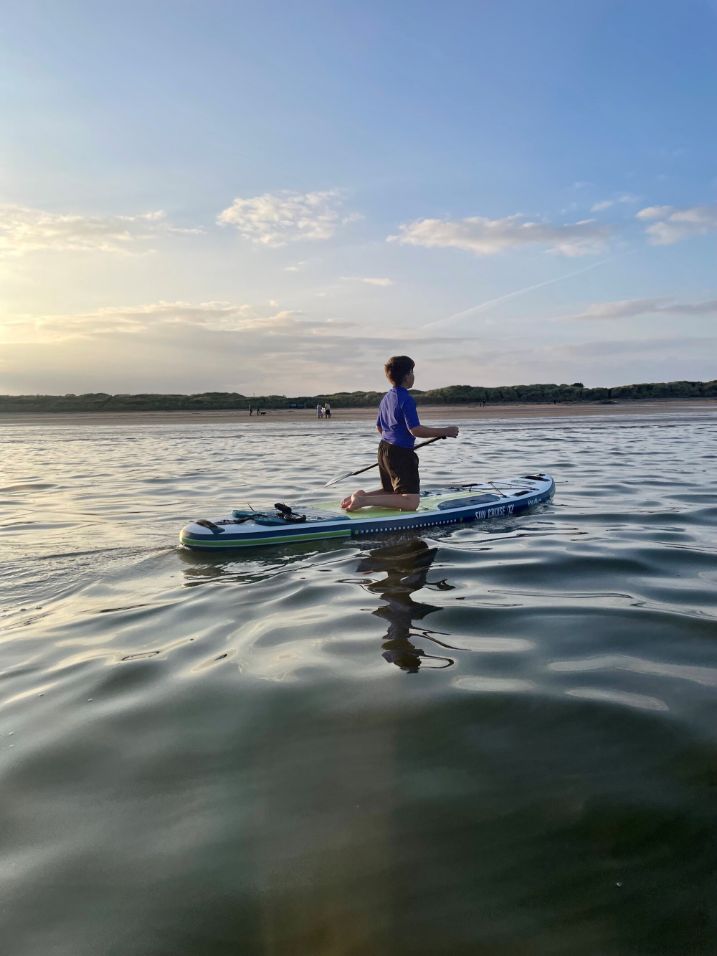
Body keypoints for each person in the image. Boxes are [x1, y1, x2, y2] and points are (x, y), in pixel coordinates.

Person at [341, 355, 459, 512]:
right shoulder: (406, 399)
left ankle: (359, 496)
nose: (413, 376)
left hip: (384, 449)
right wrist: (446, 431)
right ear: (406, 375)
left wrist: (392, 444)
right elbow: (415, 429)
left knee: (391, 491)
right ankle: (363, 500)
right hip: (400, 453)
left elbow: (379, 428)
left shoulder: (386, 398)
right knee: (411, 502)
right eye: (412, 372)